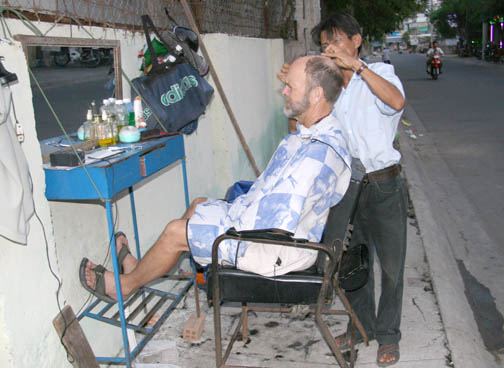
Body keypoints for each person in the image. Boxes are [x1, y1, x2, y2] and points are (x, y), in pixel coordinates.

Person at [80, 55, 352, 305]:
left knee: (177, 231)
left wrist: (231, 223)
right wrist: (232, 209)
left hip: (276, 250)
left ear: (316, 95)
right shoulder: (318, 132)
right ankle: (138, 270)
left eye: (291, 87)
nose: (284, 91)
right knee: (199, 205)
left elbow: (275, 223)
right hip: (280, 234)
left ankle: (125, 286)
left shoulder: (316, 154)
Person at [278, 12, 407, 367]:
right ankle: (359, 326)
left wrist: (358, 67)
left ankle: (389, 335)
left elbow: (397, 103)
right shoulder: (331, 93)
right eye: (324, 46)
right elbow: (300, 131)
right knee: (352, 264)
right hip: (348, 188)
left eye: (335, 42)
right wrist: (294, 93)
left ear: (356, 40)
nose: (330, 50)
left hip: (385, 185)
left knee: (392, 269)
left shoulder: (380, 74)